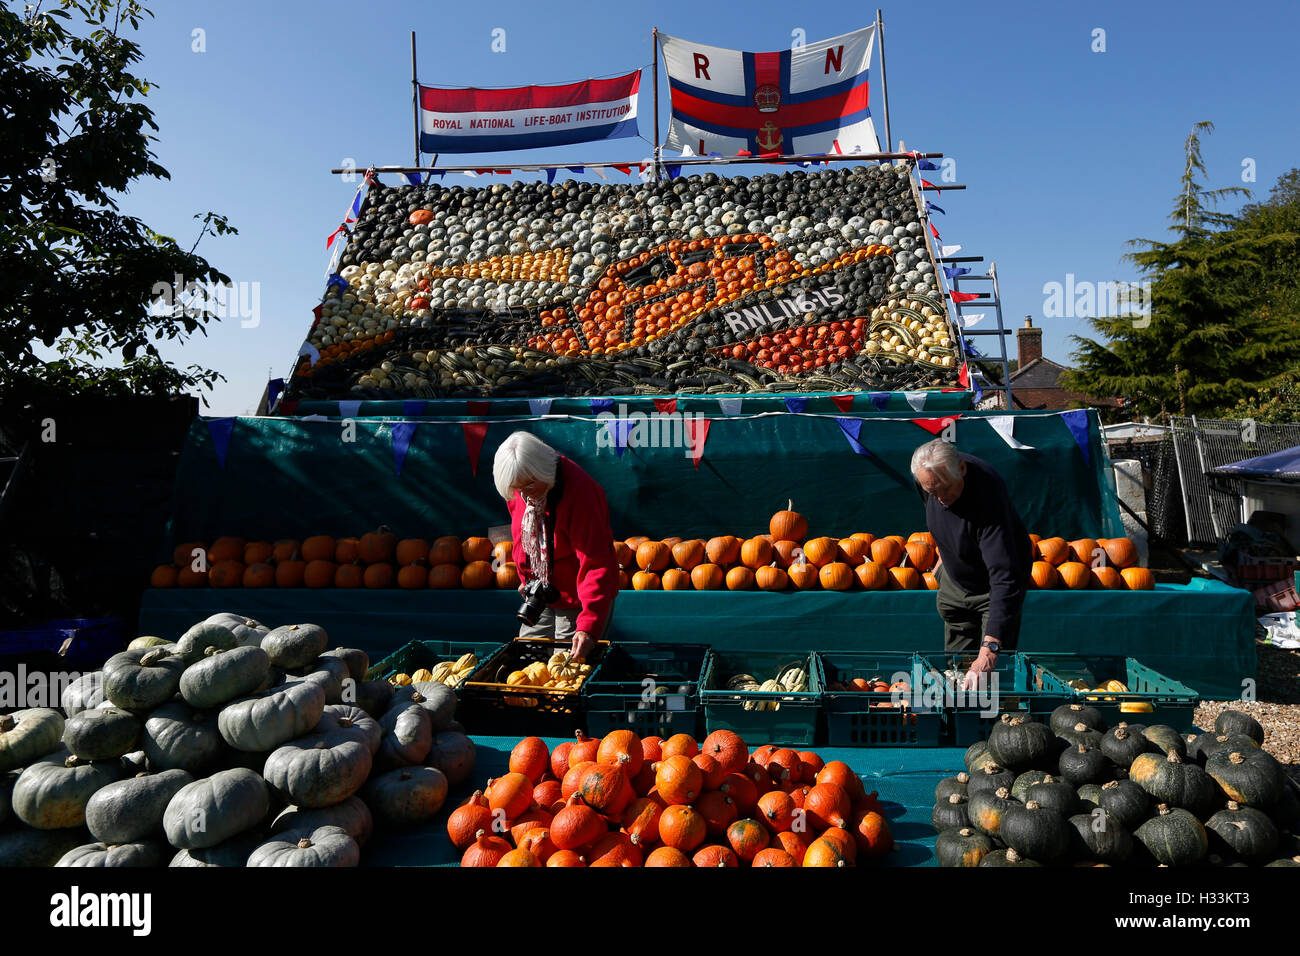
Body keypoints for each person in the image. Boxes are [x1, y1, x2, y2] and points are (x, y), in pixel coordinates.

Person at [910, 438, 1031, 690]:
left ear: (962, 469)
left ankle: (998, 725)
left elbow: (1004, 576)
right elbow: (938, 513)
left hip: (993, 587)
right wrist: (946, 554)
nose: (940, 498)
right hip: (955, 582)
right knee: (956, 675)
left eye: (945, 489)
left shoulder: (988, 497)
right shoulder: (929, 477)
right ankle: (957, 725)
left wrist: (990, 649)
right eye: (933, 492)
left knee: (991, 680)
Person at [493, 431, 619, 661]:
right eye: (518, 489)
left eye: (528, 487)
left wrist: (588, 625)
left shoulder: (581, 493)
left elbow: (597, 563)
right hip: (541, 593)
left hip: (579, 598)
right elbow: (522, 538)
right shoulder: (522, 489)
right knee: (528, 663)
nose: (524, 495)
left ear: (542, 472)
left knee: (567, 670)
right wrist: (527, 578)